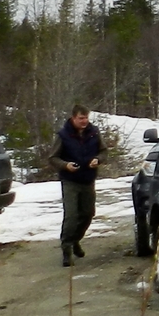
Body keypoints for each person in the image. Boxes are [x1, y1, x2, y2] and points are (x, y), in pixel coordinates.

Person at [51, 105, 102, 266]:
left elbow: (104, 151)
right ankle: (66, 249)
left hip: (88, 179)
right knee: (71, 216)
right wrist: (65, 165)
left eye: (86, 117)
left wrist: (98, 159)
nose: (84, 121)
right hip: (70, 180)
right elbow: (53, 158)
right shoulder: (63, 135)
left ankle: (75, 240)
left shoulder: (94, 132)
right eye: (81, 118)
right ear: (73, 118)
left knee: (87, 214)